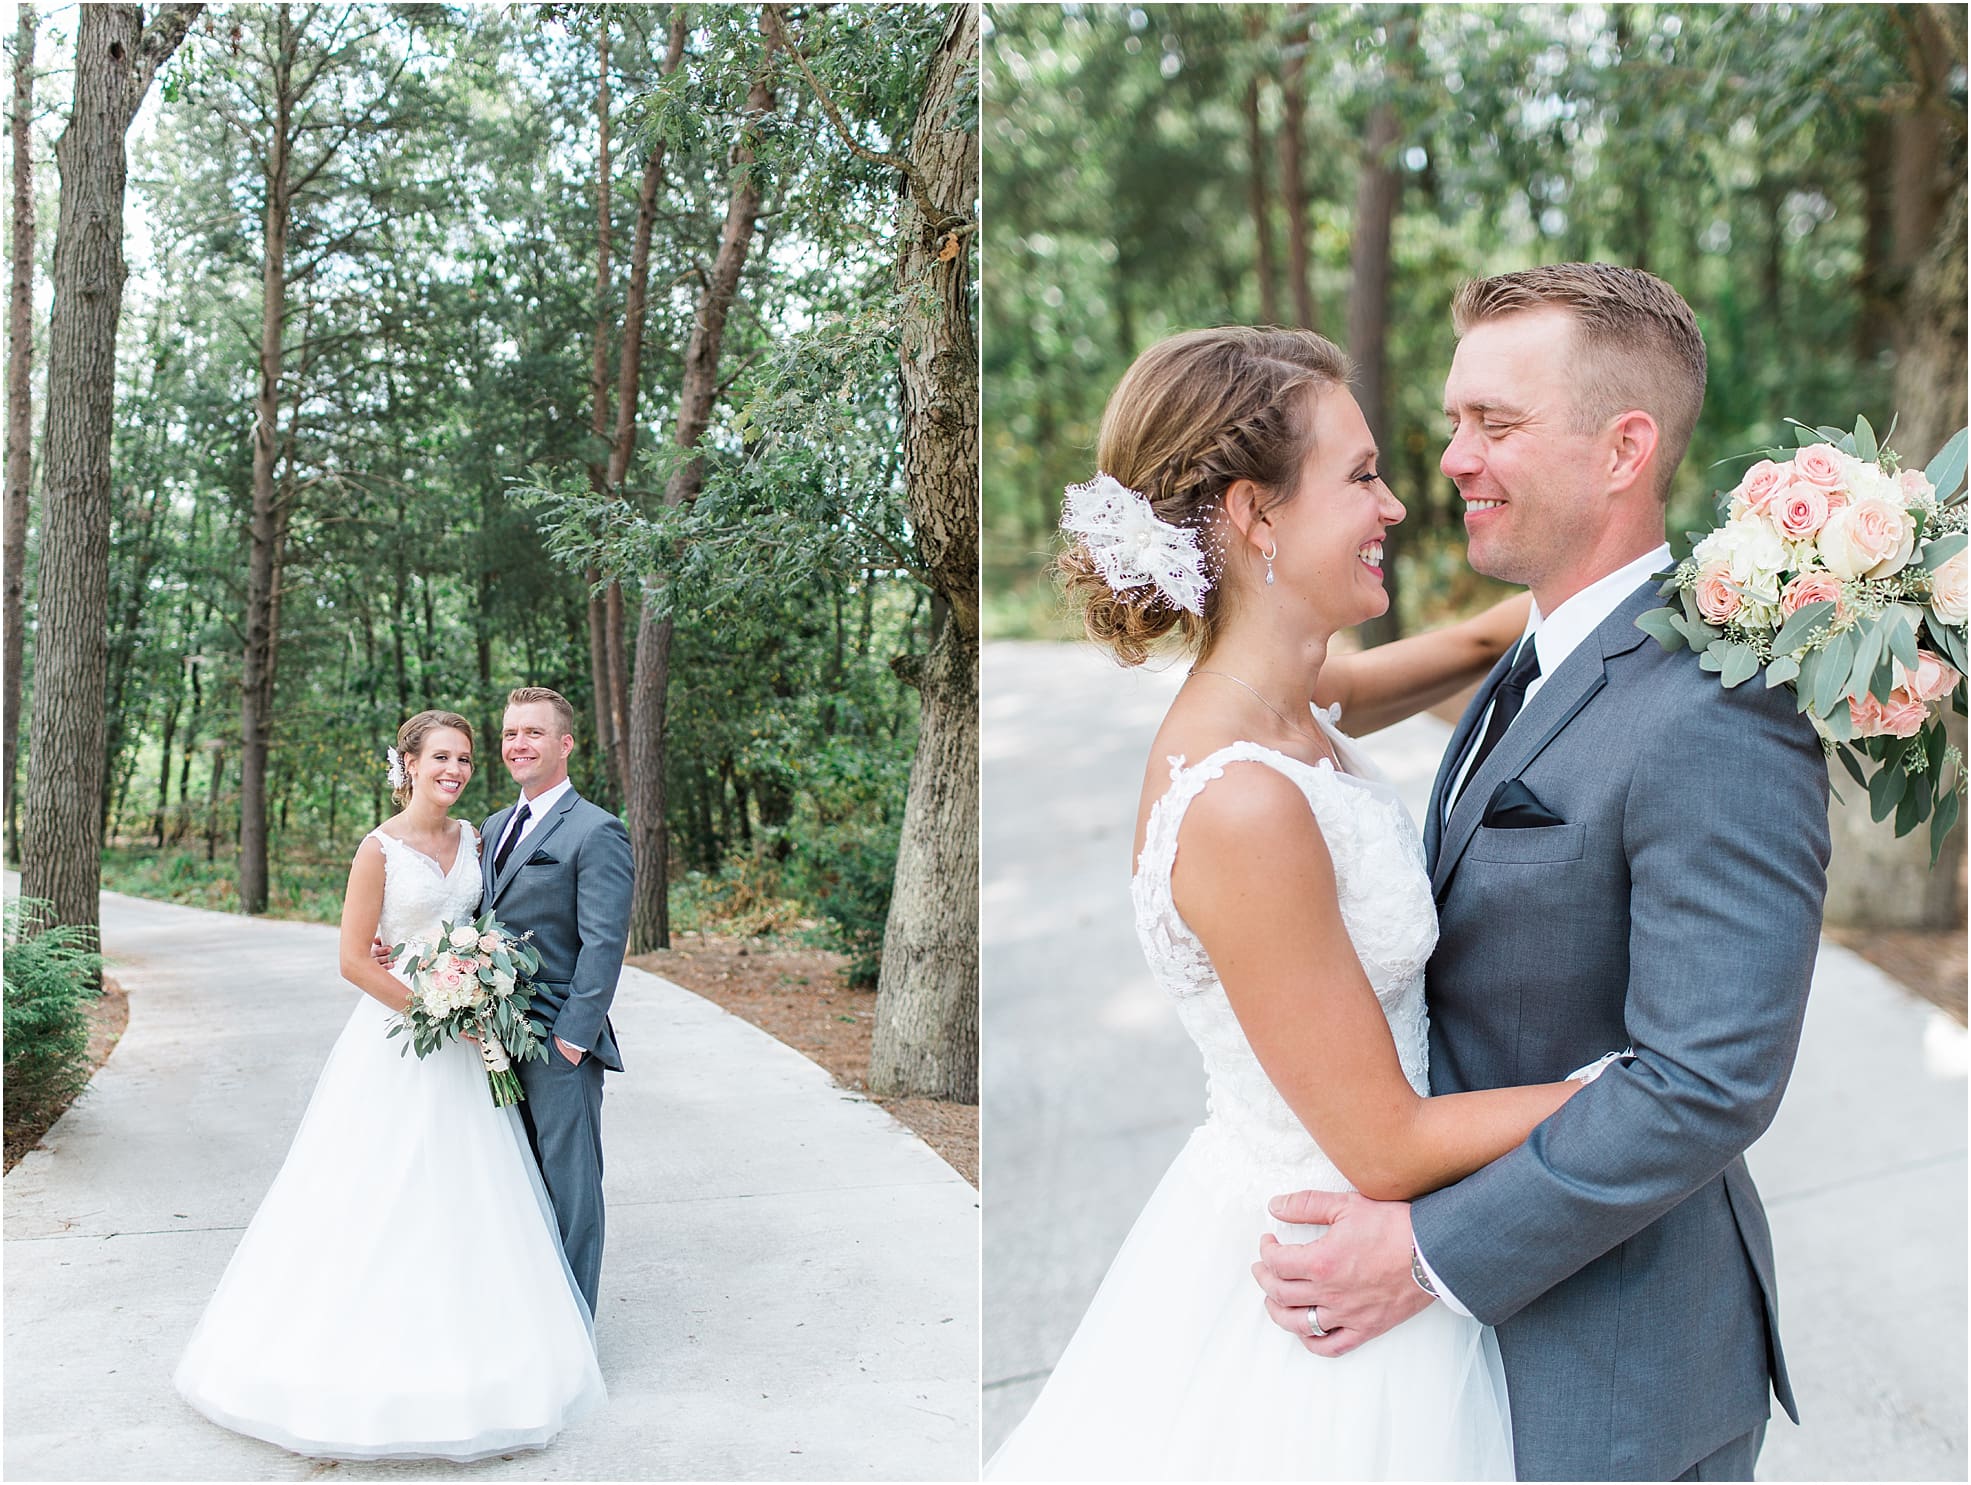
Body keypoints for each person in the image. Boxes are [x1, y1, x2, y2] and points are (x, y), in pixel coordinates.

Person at [986, 326, 1627, 1482]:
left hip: (1376, 1226)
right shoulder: (1241, 804)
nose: (1396, 503)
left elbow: (1496, 639)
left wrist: (1733, 571)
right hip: (1335, 1276)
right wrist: (1629, 1087)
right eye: (1362, 474)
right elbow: (1384, 1145)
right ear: (1253, 514)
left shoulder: (1298, 698)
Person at [1252, 265, 1830, 1482]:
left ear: (1625, 451)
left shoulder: (1718, 711)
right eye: (1457, 420)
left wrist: (1425, 1254)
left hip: (1616, 1374)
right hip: (1474, 1369)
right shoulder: (1543, 647)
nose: (1450, 461)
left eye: (1495, 426)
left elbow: (1708, 1080)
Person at [175, 710, 606, 1463]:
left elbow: (491, 922)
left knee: (476, 1193)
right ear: (406, 761)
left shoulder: (479, 836)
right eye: (440, 756)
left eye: (465, 758)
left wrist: (475, 997)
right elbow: (352, 959)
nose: (456, 768)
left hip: (471, 1040)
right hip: (404, 1037)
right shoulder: (377, 849)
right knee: (373, 1189)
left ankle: (492, 1338)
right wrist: (440, 1004)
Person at [472, 686, 634, 1315]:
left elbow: (604, 944)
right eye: (511, 734)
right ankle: (528, 1320)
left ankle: (574, 1329)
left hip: (558, 1040)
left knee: (570, 1188)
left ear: (565, 744)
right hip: (492, 1035)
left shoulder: (596, 831)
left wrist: (571, 1040)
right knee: (512, 1180)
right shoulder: (493, 826)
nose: (519, 745)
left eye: (534, 733)